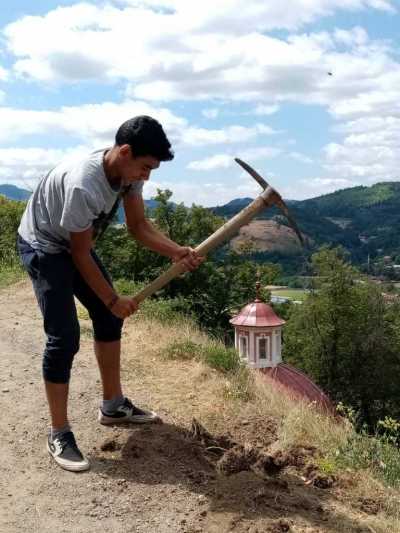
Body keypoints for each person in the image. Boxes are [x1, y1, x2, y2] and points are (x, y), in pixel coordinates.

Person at [17, 115, 203, 472]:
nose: (147, 176)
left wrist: (176, 251)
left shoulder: (129, 175)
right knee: (64, 337)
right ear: (125, 151)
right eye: (146, 167)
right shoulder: (83, 185)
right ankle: (59, 432)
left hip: (74, 245)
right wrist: (114, 299)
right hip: (44, 245)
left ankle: (113, 406)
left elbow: (138, 226)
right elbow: (79, 254)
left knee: (107, 318)